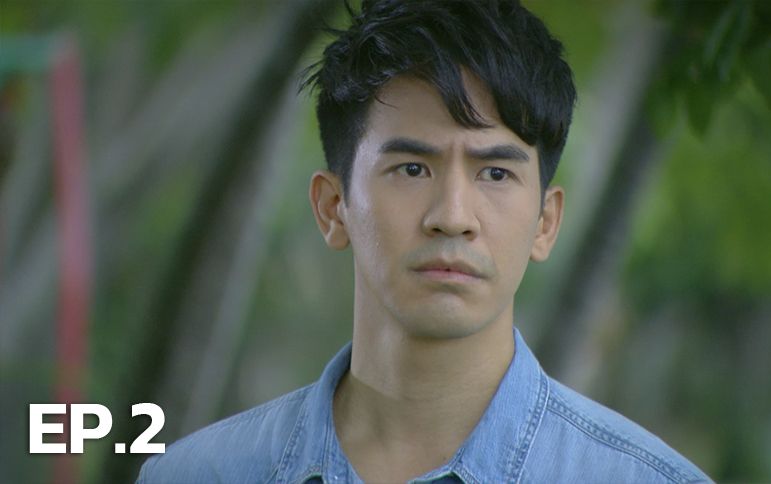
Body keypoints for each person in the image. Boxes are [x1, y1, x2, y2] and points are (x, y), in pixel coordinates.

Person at [138, 1, 711, 482]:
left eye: (495, 173)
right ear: (333, 208)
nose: (453, 217)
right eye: (412, 169)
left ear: (545, 222)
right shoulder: (194, 475)